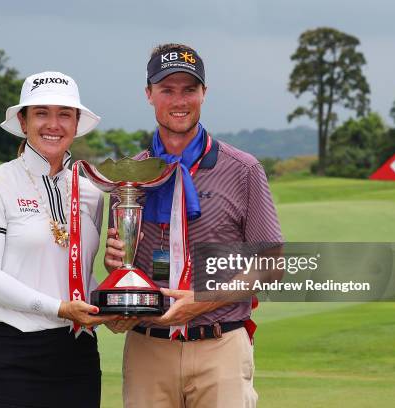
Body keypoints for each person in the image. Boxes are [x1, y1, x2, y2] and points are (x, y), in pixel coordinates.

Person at [104, 44, 284, 407]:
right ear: (149, 94)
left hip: (220, 347)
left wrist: (199, 302)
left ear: (204, 93)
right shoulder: (129, 177)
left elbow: (271, 262)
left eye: (189, 89)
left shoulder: (243, 169)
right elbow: (123, 266)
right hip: (147, 348)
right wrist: (116, 278)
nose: (179, 100)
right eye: (167, 89)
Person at [0, 71, 116, 408]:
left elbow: (79, 272)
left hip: (77, 356)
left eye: (64, 114)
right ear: (23, 121)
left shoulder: (91, 191)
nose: (53, 124)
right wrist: (59, 308)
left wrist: (112, 304)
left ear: (76, 124)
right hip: (10, 356)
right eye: (41, 113)